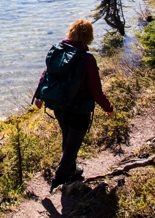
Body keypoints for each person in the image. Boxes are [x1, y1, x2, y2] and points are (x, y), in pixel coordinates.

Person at [33, 19, 114, 190]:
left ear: (71, 32)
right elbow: (96, 90)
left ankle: (71, 170)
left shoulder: (59, 51)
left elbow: (46, 74)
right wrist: (109, 108)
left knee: (68, 139)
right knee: (71, 146)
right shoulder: (87, 59)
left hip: (60, 106)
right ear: (89, 36)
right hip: (79, 109)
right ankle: (59, 181)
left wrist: (38, 95)